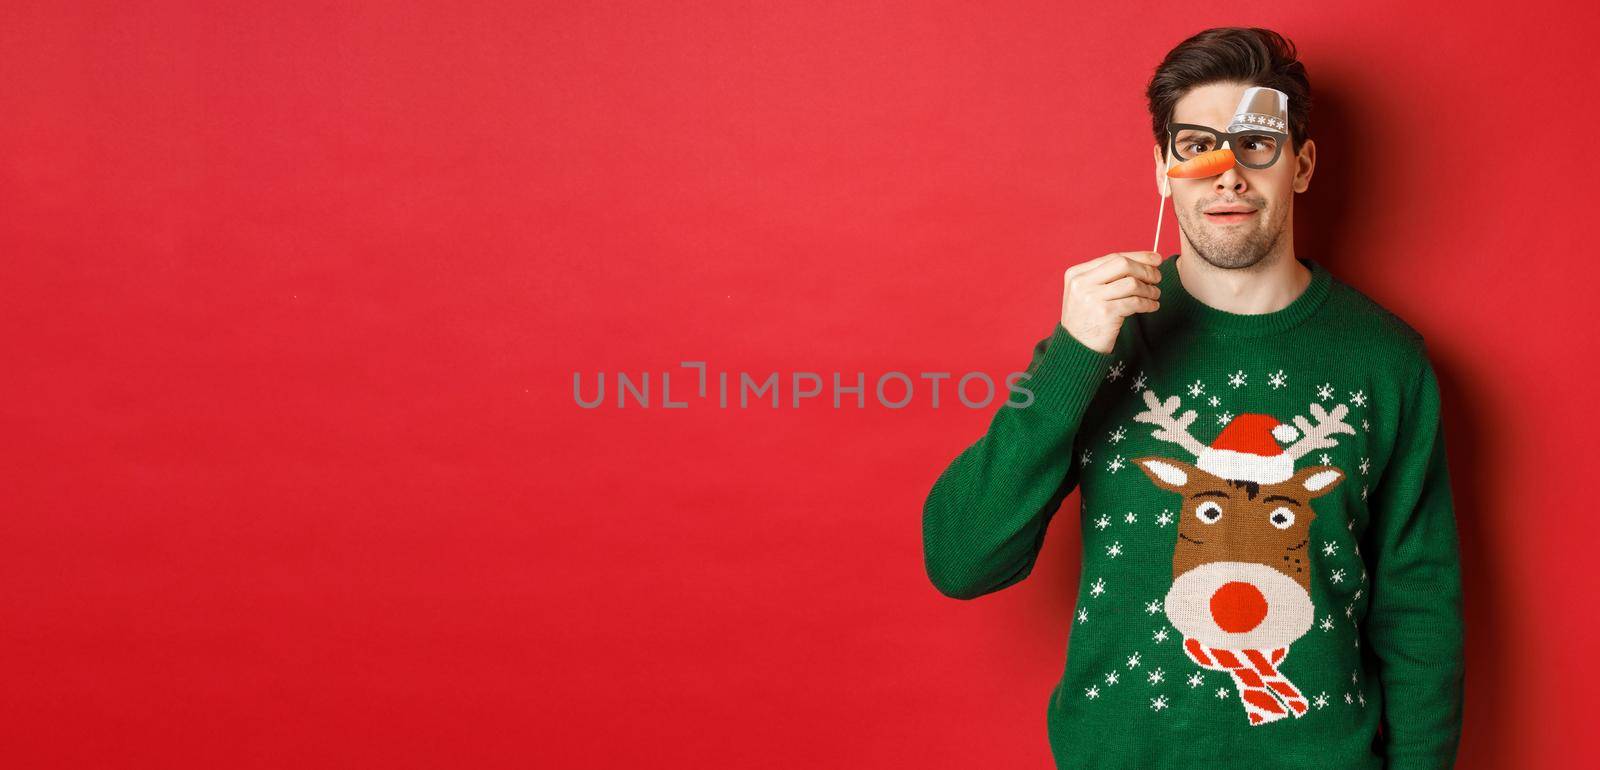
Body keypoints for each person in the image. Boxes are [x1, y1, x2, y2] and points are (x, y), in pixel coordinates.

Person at [921, 27, 1465, 769]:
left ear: (1301, 165)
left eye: (1257, 145)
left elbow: (1419, 609)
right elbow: (961, 560)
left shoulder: (1385, 361)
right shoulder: (1099, 343)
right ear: (1163, 169)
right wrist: (1073, 357)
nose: (1228, 175)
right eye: (1198, 146)